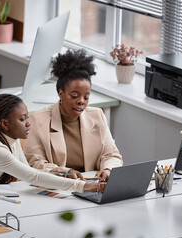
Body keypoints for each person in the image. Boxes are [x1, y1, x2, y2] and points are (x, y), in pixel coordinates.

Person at [0, 93, 106, 195]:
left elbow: (28, 171)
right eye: (22, 119)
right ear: (5, 124)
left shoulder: (11, 141)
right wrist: (83, 186)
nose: (28, 124)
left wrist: (63, 173)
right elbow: (33, 177)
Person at [23, 49, 123, 182]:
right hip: (59, 185)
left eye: (86, 97)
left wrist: (107, 169)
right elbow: (35, 163)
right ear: (61, 93)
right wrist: (65, 172)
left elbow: (112, 155)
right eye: (74, 96)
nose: (81, 101)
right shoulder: (38, 120)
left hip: (91, 185)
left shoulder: (97, 116)